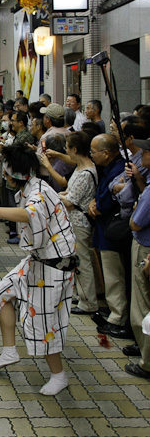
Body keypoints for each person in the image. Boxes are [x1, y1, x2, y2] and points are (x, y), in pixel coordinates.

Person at [0, 143, 76, 396]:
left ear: (14, 174)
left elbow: (30, 214)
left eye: (6, 173)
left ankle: (59, 376)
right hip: (37, 261)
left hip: (53, 267)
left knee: (44, 322)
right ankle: (9, 350)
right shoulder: (31, 188)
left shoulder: (38, 192)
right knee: (1, 292)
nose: (4, 177)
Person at [88, 134, 131, 339]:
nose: (91, 155)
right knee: (110, 273)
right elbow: (101, 194)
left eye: (93, 152)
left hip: (113, 230)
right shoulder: (108, 168)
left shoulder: (119, 168)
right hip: (104, 227)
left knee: (115, 276)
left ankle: (118, 316)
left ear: (106, 153)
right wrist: (94, 202)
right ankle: (115, 311)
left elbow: (107, 200)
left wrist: (99, 204)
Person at [58, 132, 99, 314]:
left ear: (75, 149)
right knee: (78, 260)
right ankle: (82, 294)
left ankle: (88, 302)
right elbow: (68, 193)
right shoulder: (79, 168)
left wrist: (55, 196)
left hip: (80, 222)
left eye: (67, 148)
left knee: (83, 262)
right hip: (73, 220)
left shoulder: (86, 172)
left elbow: (70, 201)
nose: (66, 151)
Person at [127, 133, 150, 378]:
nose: (140, 155)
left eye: (145, 153)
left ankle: (146, 360)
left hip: (145, 247)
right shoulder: (147, 184)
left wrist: (136, 210)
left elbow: (136, 224)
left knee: (142, 303)